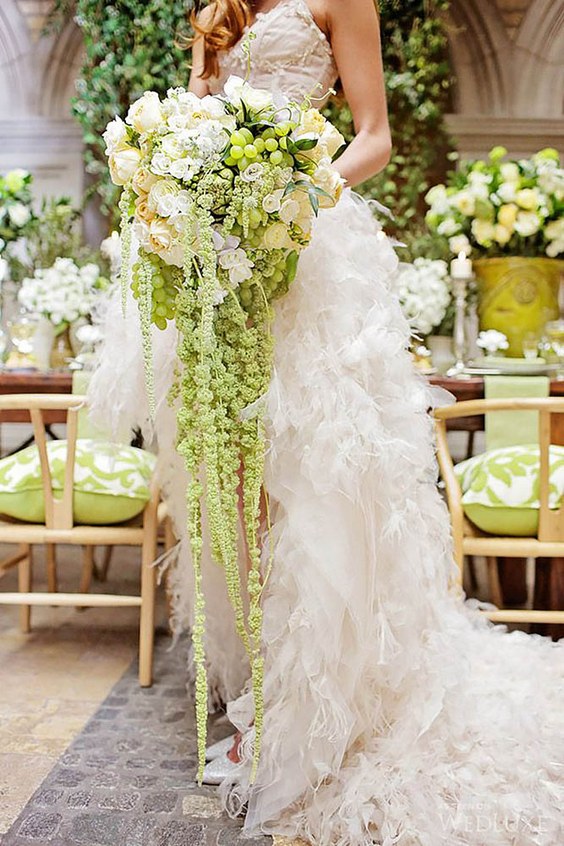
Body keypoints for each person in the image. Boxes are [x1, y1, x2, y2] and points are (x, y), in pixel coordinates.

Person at [89, 1, 563, 844]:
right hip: (217, 264)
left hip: (308, 251)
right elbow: (197, 116)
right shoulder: (220, 9)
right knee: (229, 488)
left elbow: (373, 131)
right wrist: (187, 182)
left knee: (314, 479)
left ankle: (317, 709)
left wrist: (290, 201)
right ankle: (261, 699)